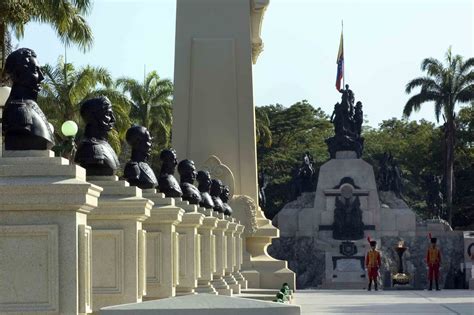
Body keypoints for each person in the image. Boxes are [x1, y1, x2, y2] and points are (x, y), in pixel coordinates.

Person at [2, 48, 55, 150]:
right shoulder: (18, 111)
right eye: (35, 70)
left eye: (41, 71)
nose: (42, 77)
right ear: (18, 75)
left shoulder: (29, 106)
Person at [75, 96, 119, 175]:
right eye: (108, 114)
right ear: (93, 116)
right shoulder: (90, 148)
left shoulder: (105, 145)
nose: (113, 119)